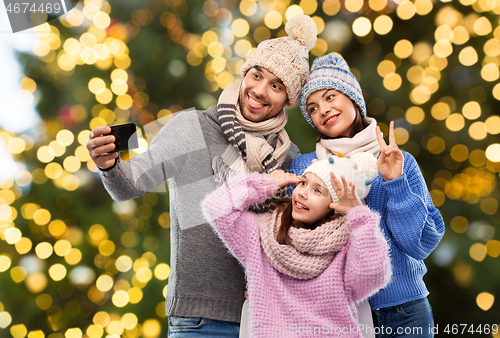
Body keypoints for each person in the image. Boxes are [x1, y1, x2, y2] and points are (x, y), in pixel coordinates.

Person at [86, 14, 317, 338]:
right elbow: (131, 184)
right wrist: (108, 163)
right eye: (257, 75)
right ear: (245, 72)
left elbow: (294, 241)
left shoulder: (289, 158)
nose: (260, 91)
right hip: (198, 319)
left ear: (288, 99)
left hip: (267, 319)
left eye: (276, 86)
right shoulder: (191, 127)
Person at [289, 53, 445, 337]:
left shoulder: (398, 161)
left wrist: (395, 182)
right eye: (312, 108)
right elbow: (293, 243)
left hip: (404, 312)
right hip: (336, 316)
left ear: (353, 99)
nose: (322, 110)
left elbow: (419, 245)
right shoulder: (305, 168)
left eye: (330, 97)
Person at [202, 153, 391, 338]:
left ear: (335, 206)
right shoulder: (261, 234)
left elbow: (372, 276)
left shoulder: (348, 246)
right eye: (303, 182)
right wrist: (265, 184)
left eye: (317, 190)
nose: (301, 193)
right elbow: (216, 207)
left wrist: (359, 216)